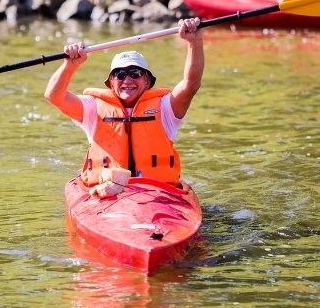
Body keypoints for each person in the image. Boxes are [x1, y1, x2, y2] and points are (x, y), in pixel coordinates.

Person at [44, 18, 204, 194]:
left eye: (135, 73)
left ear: (147, 81)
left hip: (159, 194)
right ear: (111, 83)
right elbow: (54, 96)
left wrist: (194, 42)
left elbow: (191, 84)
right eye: (120, 74)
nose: (127, 80)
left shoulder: (166, 107)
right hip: (107, 193)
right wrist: (70, 65)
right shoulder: (92, 108)